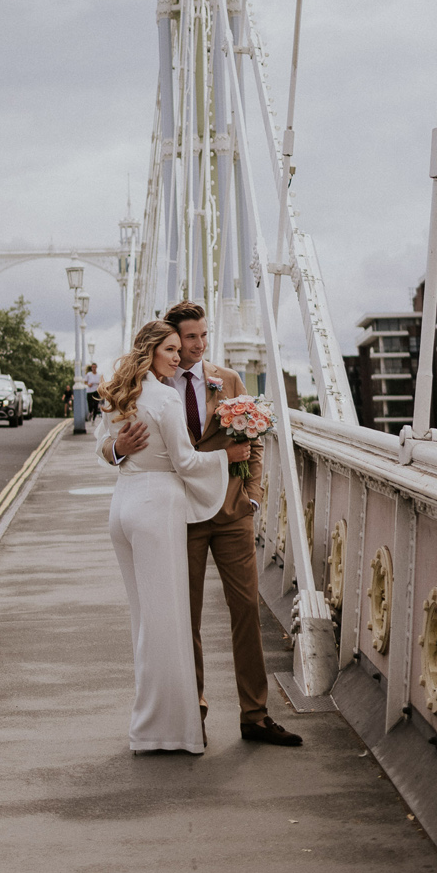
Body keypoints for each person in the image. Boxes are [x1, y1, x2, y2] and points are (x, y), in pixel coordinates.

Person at [101, 301, 302, 748]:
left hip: (230, 514)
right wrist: (116, 449)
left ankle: (255, 714)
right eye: (189, 338)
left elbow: (252, 440)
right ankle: (194, 711)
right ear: (167, 342)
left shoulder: (227, 380)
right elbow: (112, 448)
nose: (197, 346)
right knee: (181, 619)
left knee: (246, 610)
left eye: (202, 337)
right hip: (176, 519)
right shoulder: (145, 386)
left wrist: (253, 496)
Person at [98, 319, 240, 753]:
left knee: (145, 618)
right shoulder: (164, 397)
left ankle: (149, 725)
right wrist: (225, 457)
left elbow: (102, 446)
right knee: (168, 621)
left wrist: (120, 449)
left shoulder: (120, 393)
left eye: (181, 350)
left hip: (123, 505)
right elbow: (184, 462)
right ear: (151, 351)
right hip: (157, 506)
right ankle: (167, 732)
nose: (179, 357)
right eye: (171, 350)